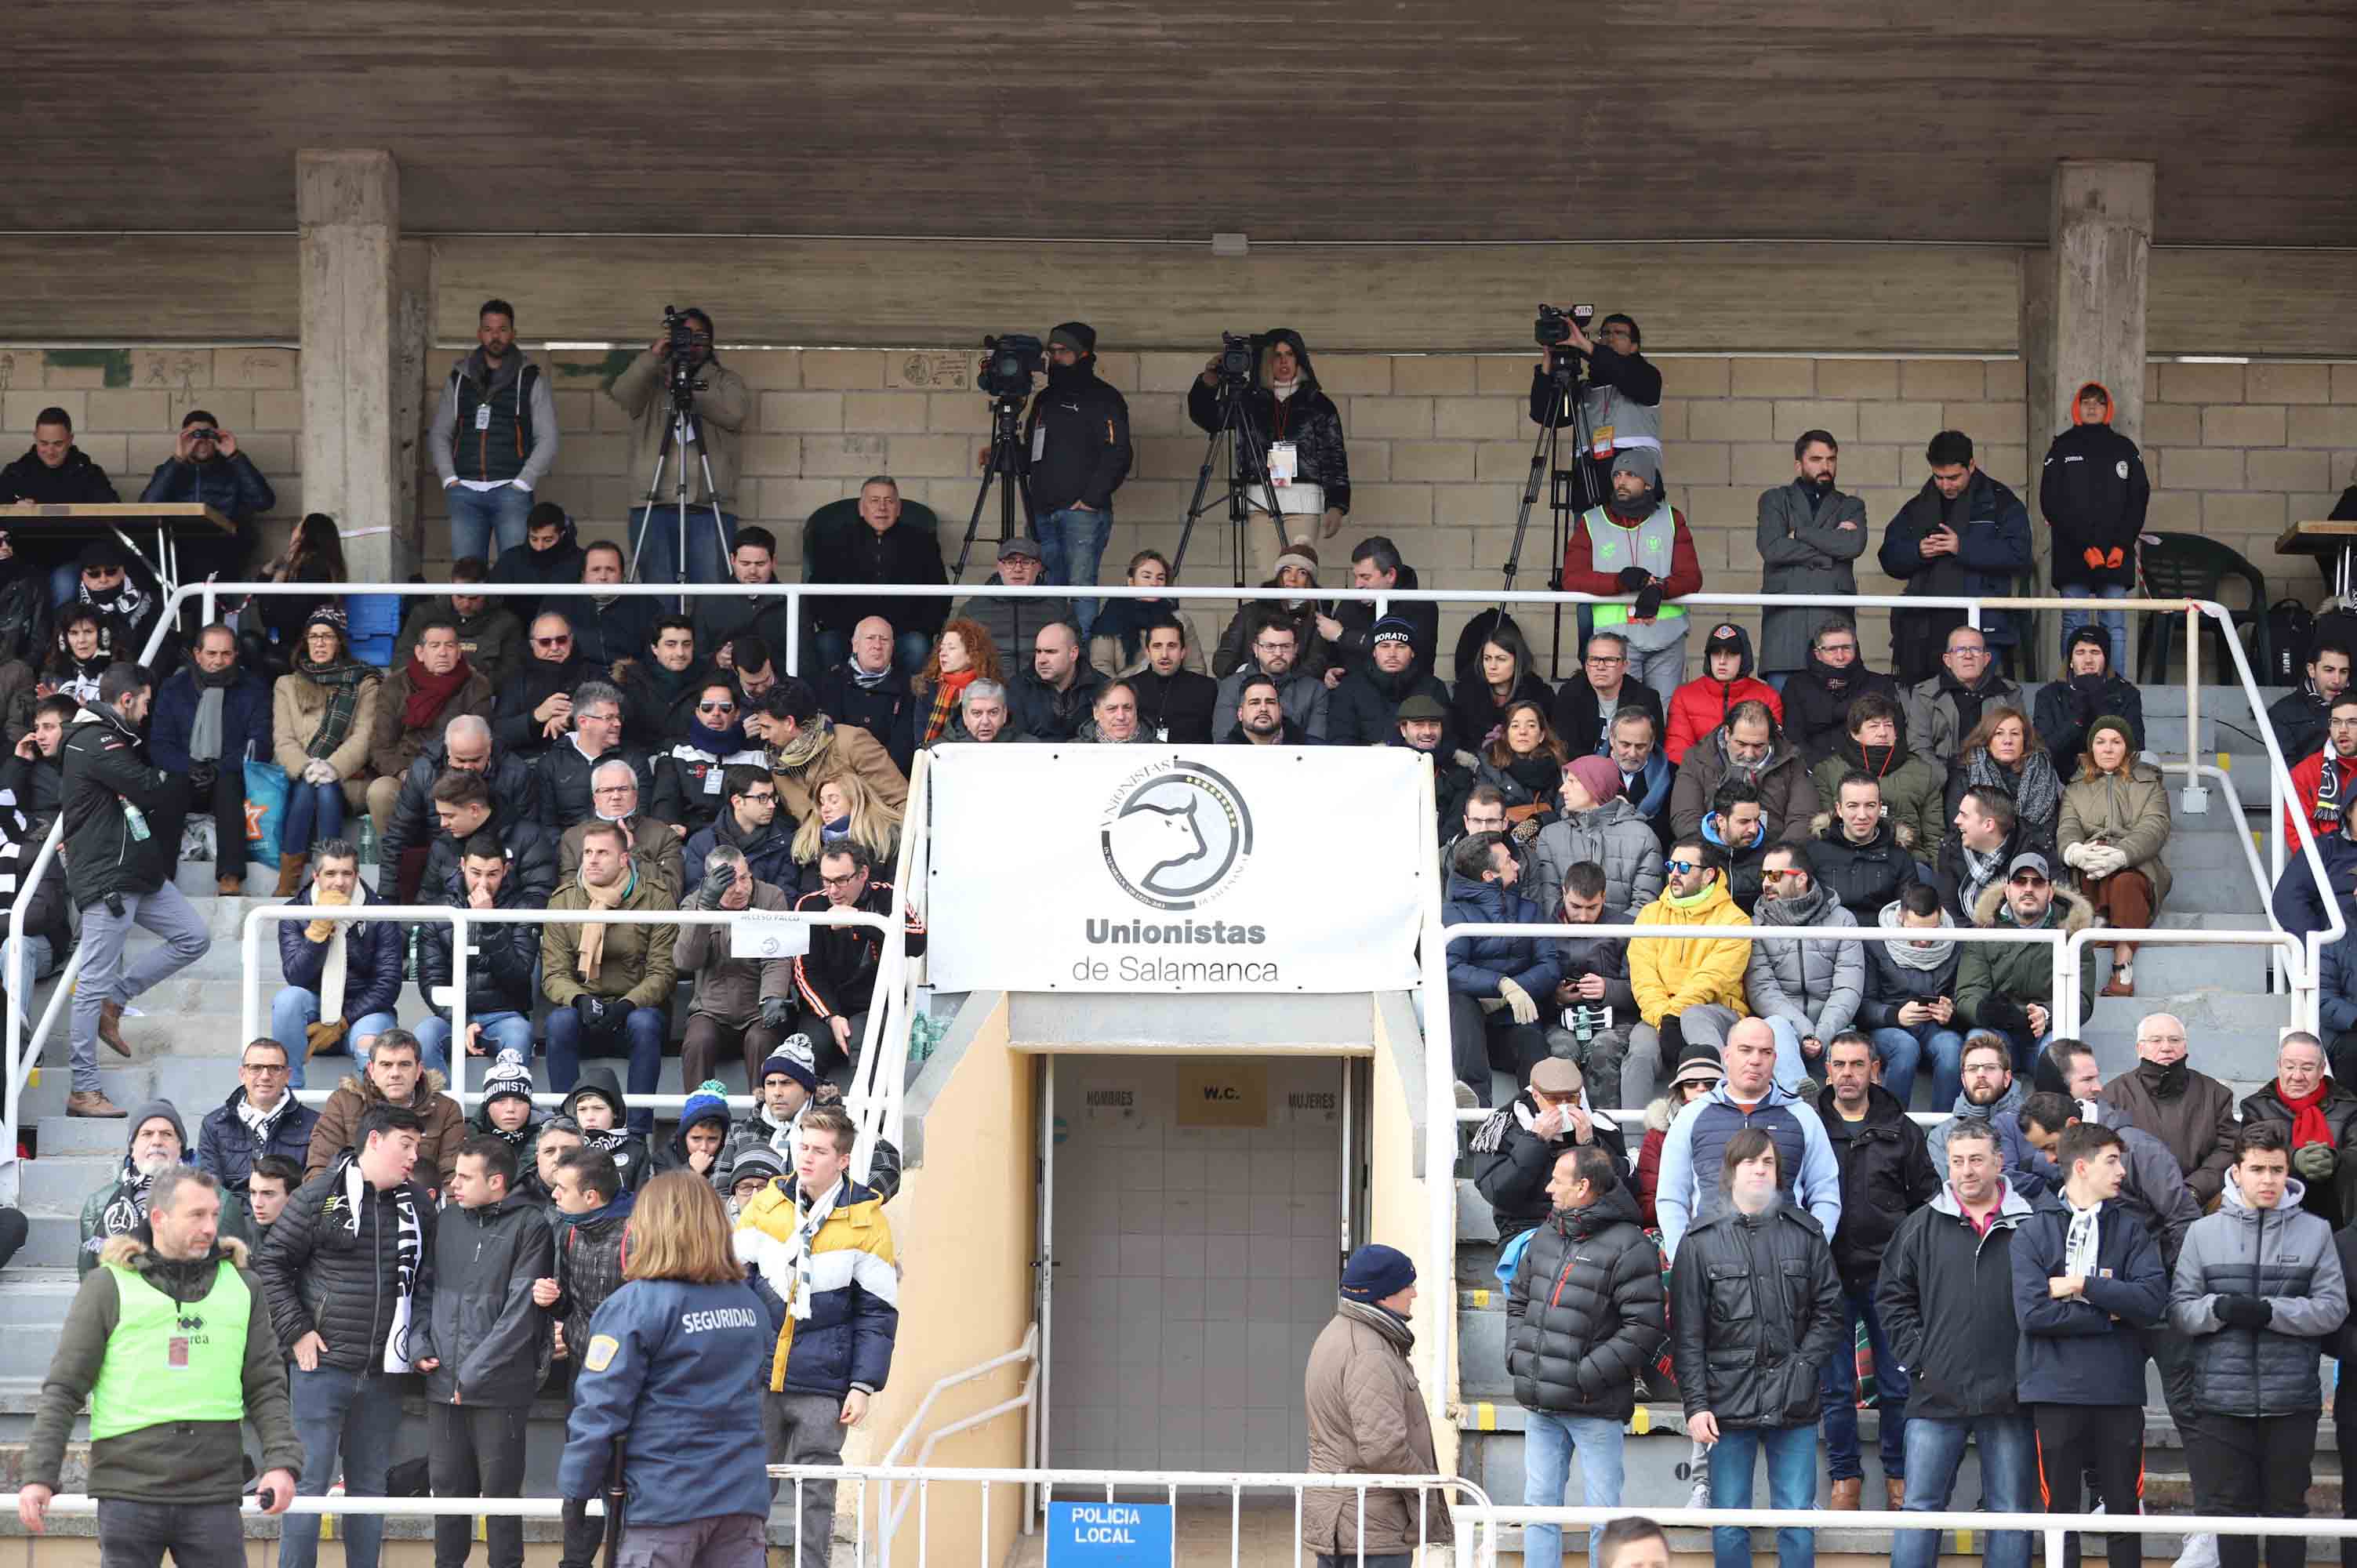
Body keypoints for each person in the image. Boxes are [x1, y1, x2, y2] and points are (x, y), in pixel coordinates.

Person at [19, 1165, 300, 1562]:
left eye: (214, 1215)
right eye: (196, 1215)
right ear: (159, 1219)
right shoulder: (106, 1285)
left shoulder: (244, 1286)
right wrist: (39, 1476)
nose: (210, 1226)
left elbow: (267, 1385)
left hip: (213, 1490)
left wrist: (283, 1463)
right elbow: (64, 1388)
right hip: (128, 1491)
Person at [560, 1169, 776, 1568]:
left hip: (665, 1503)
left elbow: (600, 1410)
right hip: (741, 1499)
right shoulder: (749, 1305)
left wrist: (575, 1490)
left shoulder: (635, 1305)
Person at [256, 1105, 438, 1568]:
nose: (415, 1155)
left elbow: (428, 1282)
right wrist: (296, 1330)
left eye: (418, 1145)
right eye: (406, 1144)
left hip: (384, 1372)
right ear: (374, 1140)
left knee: (369, 1488)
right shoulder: (318, 1194)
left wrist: (417, 1344)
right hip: (322, 1367)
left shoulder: (418, 1204)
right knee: (308, 1484)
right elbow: (271, 1264)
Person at [2169, 1123, 2348, 1568]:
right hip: (2220, 1404)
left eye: (2276, 1169)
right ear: (2237, 1172)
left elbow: (2331, 1310)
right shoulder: (2203, 1233)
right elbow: (2181, 1311)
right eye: (2257, 1169)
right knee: (2230, 1516)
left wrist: (2271, 1312)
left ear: (2288, 1170)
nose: (2268, 1180)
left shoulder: (2316, 1231)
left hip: (2292, 1403)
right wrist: (2220, 1308)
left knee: (2288, 1514)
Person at [1669, 1128, 1843, 1568]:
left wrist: (1803, 1367)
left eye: (1768, 1163)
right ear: (1731, 1172)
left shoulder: (1806, 1234)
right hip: (1727, 1405)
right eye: (1751, 1163)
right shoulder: (1699, 1242)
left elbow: (1831, 1311)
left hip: (1795, 1400)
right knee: (1728, 1522)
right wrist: (1696, 1405)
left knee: (1797, 1521)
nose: (1761, 1170)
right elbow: (1687, 1334)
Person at [735, 1106, 899, 1563]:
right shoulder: (766, 1204)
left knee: (817, 1494)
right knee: (748, 1488)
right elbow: (730, 1286)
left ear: (842, 1160)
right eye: (802, 1146)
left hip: (824, 1382)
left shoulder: (867, 1218)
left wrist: (863, 1385)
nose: (806, 1157)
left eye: (819, 1151)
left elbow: (878, 1313)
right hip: (759, 1374)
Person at [1875, 1120, 2039, 1568]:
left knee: (2010, 1514)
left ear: (1999, 1162)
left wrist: (2027, 1369)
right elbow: (1891, 1298)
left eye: (1977, 1160)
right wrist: (1919, 1358)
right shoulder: (1919, 1226)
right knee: (1920, 1510)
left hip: (2010, 1395)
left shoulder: (2031, 1225)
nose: (1967, 1171)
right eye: (1958, 1161)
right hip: (1935, 1393)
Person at [2013, 1121, 2169, 1568]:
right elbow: (2034, 1314)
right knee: (2060, 1514)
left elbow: (2150, 1300)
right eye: (2113, 1161)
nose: (2122, 1170)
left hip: (2118, 1390)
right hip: (2054, 1389)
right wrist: (2110, 1313)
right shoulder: (2033, 1233)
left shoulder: (2133, 1230)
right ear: (2081, 1167)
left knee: (2125, 1512)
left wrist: (2081, 1284)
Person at [63, 662, 210, 1119]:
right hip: (109, 875)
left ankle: (119, 998)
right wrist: (177, 770)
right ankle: (83, 1089)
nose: (148, 713)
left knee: (195, 937)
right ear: (127, 700)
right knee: (90, 984)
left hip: (138, 871)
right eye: (146, 703)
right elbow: (147, 788)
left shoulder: (116, 739)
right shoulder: (95, 740)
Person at [1507, 1145, 1665, 1568]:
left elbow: (1643, 1330)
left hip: (1595, 1407)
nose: (1548, 1188)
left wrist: (1582, 1376)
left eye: (1557, 1180)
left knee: (1604, 1518)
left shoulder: (1631, 1246)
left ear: (1584, 1186)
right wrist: (1517, 1355)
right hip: (1541, 1403)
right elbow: (1518, 1301)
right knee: (1539, 1511)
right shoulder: (1545, 1234)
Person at [414, 1133, 552, 1568]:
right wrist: (418, 1342)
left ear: (496, 1182)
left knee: (501, 1497)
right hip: (442, 1382)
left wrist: (473, 1372)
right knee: (447, 1492)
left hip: (498, 1388)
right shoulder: (447, 1220)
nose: (454, 1183)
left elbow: (521, 1312)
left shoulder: (532, 1225)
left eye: (465, 1177)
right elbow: (424, 1287)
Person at [1813, 1031, 1938, 1509]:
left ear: (1875, 1070)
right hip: (1827, 1277)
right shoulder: (1811, 1125)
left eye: (1857, 1065)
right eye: (1839, 1065)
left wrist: (1909, 1263)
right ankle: (1845, 1478)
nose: (1847, 1074)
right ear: (1827, 1070)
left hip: (1889, 1279)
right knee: (1835, 1386)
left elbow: (1925, 1202)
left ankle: (1898, 1476)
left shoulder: (1900, 1129)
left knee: (1897, 1384)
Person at [1302, 1243, 1453, 1568]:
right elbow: (1383, 1448)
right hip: (1370, 1529)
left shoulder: (1341, 1333)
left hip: (1347, 1521)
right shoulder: (1370, 1352)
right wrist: (1425, 1484)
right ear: (1382, 1296)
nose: (1414, 1293)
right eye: (1408, 1286)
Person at [1653, 1018, 1842, 1261]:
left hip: (1787, 1268)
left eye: (1765, 1052)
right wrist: (1684, 1259)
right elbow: (1672, 1197)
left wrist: (1811, 1255)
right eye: (1746, 1050)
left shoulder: (1802, 1116)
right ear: (1727, 1055)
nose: (1755, 1060)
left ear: (1775, 1059)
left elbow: (1825, 1191)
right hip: (1709, 1266)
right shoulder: (1691, 1116)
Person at [543, 821, 677, 1135]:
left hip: (634, 1011)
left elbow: (663, 972)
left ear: (623, 859)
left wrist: (627, 1005)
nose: (591, 859)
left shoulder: (656, 899)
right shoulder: (563, 900)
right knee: (559, 1023)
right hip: (584, 1010)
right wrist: (580, 999)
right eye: (587, 852)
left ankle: (636, 1133)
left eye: (602, 853)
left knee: (645, 1024)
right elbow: (554, 974)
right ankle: (567, 1127)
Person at [537, 1145, 637, 1568]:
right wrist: (553, 1302)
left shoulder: (638, 1235)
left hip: (632, 1379)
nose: (554, 1195)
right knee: (578, 1482)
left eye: (562, 1188)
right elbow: (573, 1306)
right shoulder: (567, 1229)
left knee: (625, 1483)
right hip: (582, 1373)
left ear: (592, 1196)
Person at [1189, 328, 1351, 572]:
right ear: (1265, 360)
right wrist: (1208, 382)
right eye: (1276, 355)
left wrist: (1337, 504)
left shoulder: (1318, 404)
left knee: (1298, 575)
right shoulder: (1248, 401)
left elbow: (1333, 456)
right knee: (1270, 579)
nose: (1284, 361)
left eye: (1290, 354)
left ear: (1299, 359)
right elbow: (1209, 418)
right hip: (1261, 501)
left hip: (1303, 501)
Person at [612, 306, 750, 587]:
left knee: (711, 590)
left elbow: (735, 413)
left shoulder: (726, 380)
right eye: (685, 336)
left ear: (711, 342)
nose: (693, 344)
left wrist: (688, 389)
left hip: (708, 506)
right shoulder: (652, 380)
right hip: (654, 502)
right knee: (657, 588)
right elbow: (622, 394)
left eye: (700, 337)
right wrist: (653, 357)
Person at [1879, 431, 2033, 683]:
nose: (1945, 485)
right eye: (1938, 477)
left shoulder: (2001, 502)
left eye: (1953, 477)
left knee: (1977, 702)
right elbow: (1888, 556)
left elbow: (2020, 554)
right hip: (1923, 631)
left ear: (1971, 465)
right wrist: (1918, 552)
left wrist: (1962, 548)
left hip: (1982, 625)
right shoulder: (1917, 506)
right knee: (1924, 706)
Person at [1560, 448, 1701, 708]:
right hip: (1615, 642)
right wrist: (1620, 581)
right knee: (1623, 719)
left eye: (1630, 475)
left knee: (1665, 715)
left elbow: (1691, 576)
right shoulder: (1592, 521)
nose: (1621, 482)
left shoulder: (1672, 518)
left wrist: (1661, 589)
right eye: (1617, 475)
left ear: (1648, 483)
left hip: (1666, 637)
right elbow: (1572, 578)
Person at [1627, 840, 1754, 1119]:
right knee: (1640, 1052)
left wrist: (1675, 1015)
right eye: (1671, 865)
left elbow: (1713, 979)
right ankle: (1633, 1146)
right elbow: (1643, 977)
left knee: (1695, 1018)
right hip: (1658, 1015)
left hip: (1717, 1012)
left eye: (1684, 867)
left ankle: (1728, 1117)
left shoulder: (1735, 921)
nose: (1674, 873)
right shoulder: (1650, 915)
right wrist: (1664, 1019)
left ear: (1709, 875)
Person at [147, 621, 273, 894]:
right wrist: (189, 766)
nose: (218, 661)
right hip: (185, 769)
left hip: (229, 772)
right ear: (197, 654)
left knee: (228, 787)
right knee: (172, 788)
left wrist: (218, 768)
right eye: (212, 654)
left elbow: (260, 744)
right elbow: (158, 744)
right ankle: (160, 875)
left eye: (226, 654)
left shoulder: (253, 689)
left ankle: (230, 875)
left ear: (236, 655)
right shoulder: (174, 688)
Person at [1023, 322, 1132, 633]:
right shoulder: (1045, 399)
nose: (1056, 358)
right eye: (1052, 351)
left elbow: (1119, 452)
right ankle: (1049, 656)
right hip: (1042, 512)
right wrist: (1003, 454)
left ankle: (1080, 662)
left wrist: (1090, 500)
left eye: (1064, 351)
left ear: (1083, 354)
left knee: (1081, 588)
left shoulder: (1104, 397)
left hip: (1081, 514)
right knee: (1046, 587)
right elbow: (1034, 450)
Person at [430, 298, 559, 562]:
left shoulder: (530, 376)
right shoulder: (459, 377)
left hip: (511, 492)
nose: (495, 336)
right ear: (479, 334)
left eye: (502, 329)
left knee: (514, 576)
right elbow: (440, 433)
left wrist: (524, 482)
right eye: (488, 329)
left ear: (513, 333)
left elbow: (548, 437)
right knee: (466, 577)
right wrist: (449, 479)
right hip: (464, 491)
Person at [1441, 832, 1563, 1105]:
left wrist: (1510, 991)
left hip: (1513, 1021)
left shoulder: (1529, 911)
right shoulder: (1453, 913)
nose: (1517, 865)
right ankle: (1476, 1108)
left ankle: (1537, 1117)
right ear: (1488, 875)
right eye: (1509, 861)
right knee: (1460, 1000)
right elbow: (1450, 969)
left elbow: (1550, 965)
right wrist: (1501, 985)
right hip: (1469, 1029)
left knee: (1530, 1040)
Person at [271, 839, 402, 1090]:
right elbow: (296, 976)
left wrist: (343, 1020)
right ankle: (290, 1094)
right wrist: (320, 928)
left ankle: (377, 1108)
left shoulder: (380, 911)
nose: (339, 882)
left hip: (364, 1013)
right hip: (315, 1010)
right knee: (288, 1000)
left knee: (369, 1041)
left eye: (346, 873)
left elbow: (388, 985)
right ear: (316, 876)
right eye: (330, 873)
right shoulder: (294, 912)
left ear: (357, 876)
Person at [791, 840, 927, 1080]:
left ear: (863, 874)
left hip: (874, 1003)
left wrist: (862, 920)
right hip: (825, 1007)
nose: (832, 891)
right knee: (805, 1053)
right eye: (826, 880)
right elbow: (805, 972)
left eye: (841, 880)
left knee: (865, 1039)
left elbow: (917, 941)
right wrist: (831, 1016)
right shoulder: (810, 904)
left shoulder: (887, 896)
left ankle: (862, 1117)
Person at [415, 829, 546, 1076]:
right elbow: (431, 979)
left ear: (505, 871)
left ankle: (503, 1113)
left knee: (520, 1035)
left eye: (493, 874)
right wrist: (461, 1021)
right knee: (423, 1036)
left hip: (505, 1015)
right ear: (462, 865)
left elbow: (518, 976)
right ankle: (441, 1113)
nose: (483, 883)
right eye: (476, 873)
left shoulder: (523, 908)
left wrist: (489, 923)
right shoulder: (441, 910)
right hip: (451, 1016)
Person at [269, 606, 381, 895]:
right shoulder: (287, 684)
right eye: (314, 636)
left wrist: (332, 768)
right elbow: (283, 739)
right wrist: (308, 768)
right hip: (299, 775)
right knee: (312, 788)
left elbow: (364, 735)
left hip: (348, 777)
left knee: (326, 789)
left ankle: (290, 884)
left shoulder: (364, 682)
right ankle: (331, 882)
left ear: (339, 642)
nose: (319, 643)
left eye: (327, 636)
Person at [2041, 382, 2151, 673]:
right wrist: (2083, 547)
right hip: (2072, 552)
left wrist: (2121, 545)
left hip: (2116, 553)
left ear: (2108, 409)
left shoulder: (2124, 448)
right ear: (2077, 407)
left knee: (2114, 624)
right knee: (2073, 621)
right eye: (2086, 401)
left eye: (2099, 402)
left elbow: (2138, 500)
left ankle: (2116, 688)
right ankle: (2070, 686)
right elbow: (2050, 502)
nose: (2092, 406)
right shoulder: (2061, 446)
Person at [2060, 714, 2172, 996]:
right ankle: (2101, 920)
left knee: (2125, 883)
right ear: (2091, 748)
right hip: (2091, 868)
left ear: (2128, 748)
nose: (2107, 749)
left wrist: (2121, 855)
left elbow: (2154, 827)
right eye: (2100, 742)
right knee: (2092, 867)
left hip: (2136, 865)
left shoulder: (2149, 784)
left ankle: (2122, 959)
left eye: (2116, 742)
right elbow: (2068, 827)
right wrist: (2076, 851)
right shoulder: (2075, 789)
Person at [78, 1101, 256, 1276]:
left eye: (166, 1134)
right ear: (132, 1148)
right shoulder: (99, 1204)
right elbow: (91, 1274)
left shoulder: (220, 1201)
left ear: (180, 1147)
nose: (157, 1141)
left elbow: (232, 1273)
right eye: (147, 1134)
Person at [1956, 853, 2095, 1073]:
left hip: (2046, 1031)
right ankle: (1973, 1110)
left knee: (2059, 1049)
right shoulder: (1984, 929)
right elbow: (1968, 992)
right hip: (1998, 1031)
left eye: (2037, 882)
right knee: (1978, 1044)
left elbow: (2082, 999)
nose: (2028, 889)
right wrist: (1985, 1011)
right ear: (2007, 890)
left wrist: (2046, 1013)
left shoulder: (2074, 933)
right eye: (2020, 881)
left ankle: (2052, 1109)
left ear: (2050, 892)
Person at [1529, 310, 1664, 532]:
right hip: (1588, 489)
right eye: (1605, 333)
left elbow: (1623, 373)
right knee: (1588, 561)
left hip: (1635, 490)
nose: (1610, 338)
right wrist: (1548, 362)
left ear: (1634, 346)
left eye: (1619, 333)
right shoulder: (1584, 390)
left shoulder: (1646, 377)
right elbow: (1544, 414)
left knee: (1634, 559)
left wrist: (1587, 347)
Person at [1748, 842, 1865, 1097]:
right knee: (1774, 1026)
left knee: (1852, 1049)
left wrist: (1821, 1034)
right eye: (1764, 875)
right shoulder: (1756, 924)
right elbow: (1763, 991)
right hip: (1786, 1028)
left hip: (1832, 1026)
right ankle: (1802, 1103)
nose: (1766, 883)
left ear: (1801, 879)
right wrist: (1805, 1031)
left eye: (1775, 876)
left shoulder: (1843, 920)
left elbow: (1848, 988)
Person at [1474, 1056, 1631, 1244]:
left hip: (1592, 1225)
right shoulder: (1503, 1128)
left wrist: (1591, 1145)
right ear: (1536, 1096)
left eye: (1571, 1098)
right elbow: (1498, 1194)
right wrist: (1535, 1141)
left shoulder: (1597, 1125)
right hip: (1527, 1228)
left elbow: (1627, 1189)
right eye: (1554, 1100)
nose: (1563, 1106)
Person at [364, 618, 492, 847]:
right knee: (380, 792)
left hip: (456, 773)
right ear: (420, 652)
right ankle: (397, 855)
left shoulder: (476, 685)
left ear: (459, 652)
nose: (443, 652)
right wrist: (405, 774)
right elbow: (381, 747)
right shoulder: (395, 685)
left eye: (450, 645)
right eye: (435, 646)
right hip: (406, 771)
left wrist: (446, 777)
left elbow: (477, 742)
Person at [1756, 431, 1870, 689]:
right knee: (1782, 721)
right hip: (1786, 627)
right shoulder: (1775, 499)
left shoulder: (1852, 505)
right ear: (1799, 465)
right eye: (1816, 459)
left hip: (1833, 623)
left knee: (1835, 720)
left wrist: (1800, 534)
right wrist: (1830, 551)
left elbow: (1852, 545)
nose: (1825, 467)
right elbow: (1773, 548)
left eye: (1831, 459)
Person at [676, 844, 796, 1086]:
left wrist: (772, 997)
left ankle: (763, 1117)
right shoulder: (694, 903)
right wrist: (705, 910)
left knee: (760, 1041)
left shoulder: (771, 897)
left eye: (744, 878)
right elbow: (687, 961)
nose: (741, 888)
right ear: (711, 882)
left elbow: (777, 955)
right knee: (697, 1042)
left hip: (758, 1006)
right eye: (730, 883)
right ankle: (699, 1117)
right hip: (711, 1007)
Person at [806, 475, 949, 673]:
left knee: (917, 646)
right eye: (874, 501)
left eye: (889, 501)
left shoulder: (921, 542)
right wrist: (852, 631)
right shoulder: (835, 541)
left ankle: (909, 706)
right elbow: (817, 594)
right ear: (861, 508)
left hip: (903, 634)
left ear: (898, 509)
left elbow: (940, 595)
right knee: (827, 643)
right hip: (848, 633)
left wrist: (922, 628)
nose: (882, 508)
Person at [2101, 1012, 2243, 1207]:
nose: (2166, 1047)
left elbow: (2228, 1148)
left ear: (2185, 1047)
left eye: (2174, 1040)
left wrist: (2193, 1189)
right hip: (2135, 1205)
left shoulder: (2215, 1094)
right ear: (2139, 1049)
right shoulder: (2114, 1094)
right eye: (2156, 1040)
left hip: (2198, 1201)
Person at [302, 1029, 467, 1187]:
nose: (395, 1073)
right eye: (386, 1065)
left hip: (422, 1209)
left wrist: (443, 1216)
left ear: (419, 1070)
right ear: (371, 1070)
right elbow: (320, 1168)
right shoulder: (343, 1103)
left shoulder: (446, 1110)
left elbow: (453, 1176)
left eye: (404, 1065)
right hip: (353, 1208)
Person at [140, 406, 277, 586]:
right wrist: (178, 459)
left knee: (203, 563)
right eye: (195, 435)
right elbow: (148, 506)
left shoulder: (233, 469)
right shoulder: (171, 469)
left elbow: (264, 502)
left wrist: (234, 455)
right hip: (178, 544)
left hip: (222, 545)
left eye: (208, 435)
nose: (202, 441)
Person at [2237, 1032, 2357, 1229]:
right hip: (2276, 1219)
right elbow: (2252, 1155)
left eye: (2308, 1068)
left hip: (2338, 1219)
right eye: (2290, 1066)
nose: (2297, 1076)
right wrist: (2294, 1159)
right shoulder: (2256, 1107)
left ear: (2322, 1069)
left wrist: (2335, 1159)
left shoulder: (2349, 1107)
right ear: (2279, 1066)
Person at [1861, 882, 1964, 1110]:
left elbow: (1964, 996)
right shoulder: (1875, 941)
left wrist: (1951, 1012)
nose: (1924, 942)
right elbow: (1863, 1006)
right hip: (1888, 1027)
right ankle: (1891, 1129)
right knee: (1905, 1047)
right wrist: (1895, 1015)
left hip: (1934, 1028)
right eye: (1916, 932)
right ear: (1900, 917)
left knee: (1952, 1048)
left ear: (1942, 917)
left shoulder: (1957, 941)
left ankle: (1942, 1132)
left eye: (1932, 931)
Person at [1526, 752, 1664, 923]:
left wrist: (1608, 939)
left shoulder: (1643, 837)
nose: (1562, 789)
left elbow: (1645, 906)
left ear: (1595, 786)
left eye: (1572, 781)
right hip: (1563, 944)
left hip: (1622, 945)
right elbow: (1548, 902)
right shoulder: (1551, 835)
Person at [3, 406, 120, 605]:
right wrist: (11, 509)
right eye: (43, 443)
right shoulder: (16, 473)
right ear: (35, 438)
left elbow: (113, 509)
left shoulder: (88, 473)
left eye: (58, 444)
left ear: (71, 439)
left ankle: (58, 636)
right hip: (25, 558)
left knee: (63, 585)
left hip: (73, 558)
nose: (50, 451)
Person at [757, 675, 909, 822]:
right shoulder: (777, 766)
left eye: (767, 727)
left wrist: (886, 843)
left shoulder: (851, 742)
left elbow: (901, 802)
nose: (762, 736)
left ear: (789, 723)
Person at [1669, 700, 1820, 844]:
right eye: (1741, 744)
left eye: (1758, 746)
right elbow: (1685, 817)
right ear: (1727, 733)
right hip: (1710, 855)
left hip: (1773, 857)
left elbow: (1804, 818)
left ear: (1770, 739)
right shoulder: (1697, 759)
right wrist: (1712, 854)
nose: (1749, 754)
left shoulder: (1791, 761)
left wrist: (1777, 858)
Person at [197, 1038, 322, 1196]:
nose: (265, 1076)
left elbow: (315, 1191)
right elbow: (211, 1192)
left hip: (293, 1218)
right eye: (255, 1068)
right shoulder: (214, 1125)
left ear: (287, 1075)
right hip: (233, 1219)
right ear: (242, 1074)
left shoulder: (316, 1125)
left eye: (275, 1068)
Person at [1905, 626, 2025, 779]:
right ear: (1947, 660)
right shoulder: (1925, 694)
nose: (1968, 655)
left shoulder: (2009, 693)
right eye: (1960, 650)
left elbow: (2021, 742)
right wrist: (1945, 780)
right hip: (1941, 780)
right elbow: (1918, 747)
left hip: (1997, 779)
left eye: (1975, 649)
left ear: (1986, 658)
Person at [1781, 618, 1901, 768]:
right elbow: (1793, 739)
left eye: (1846, 648)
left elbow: (1895, 736)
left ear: (1855, 649)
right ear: (1817, 654)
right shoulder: (1797, 686)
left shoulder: (1880, 685)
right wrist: (1823, 770)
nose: (1840, 656)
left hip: (1871, 770)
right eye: (1831, 649)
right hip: (1814, 772)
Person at [1806, 771, 1922, 925]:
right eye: (1853, 806)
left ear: (1880, 808)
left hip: (1881, 941)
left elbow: (1908, 917)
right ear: (1839, 809)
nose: (1862, 815)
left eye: (1870, 806)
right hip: (1827, 943)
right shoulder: (1814, 853)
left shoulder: (1900, 858)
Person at [536, 681, 651, 836]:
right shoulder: (551, 764)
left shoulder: (633, 759)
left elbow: (642, 818)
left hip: (626, 847)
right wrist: (572, 856)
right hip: (571, 853)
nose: (617, 724)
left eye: (618, 717)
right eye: (609, 718)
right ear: (584, 722)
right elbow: (548, 828)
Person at [556, 757, 683, 897]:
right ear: (595, 799)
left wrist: (633, 852)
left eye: (623, 789)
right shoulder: (572, 837)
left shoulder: (664, 835)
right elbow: (567, 897)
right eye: (607, 790)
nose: (616, 796)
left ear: (635, 795)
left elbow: (672, 893)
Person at [490, 611, 601, 762]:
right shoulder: (517, 679)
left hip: (583, 761)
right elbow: (499, 734)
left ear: (571, 639)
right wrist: (536, 716)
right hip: (529, 763)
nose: (554, 647)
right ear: (532, 644)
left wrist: (575, 714)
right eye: (545, 642)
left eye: (561, 640)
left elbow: (622, 711)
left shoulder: (591, 673)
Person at [394, 557, 523, 687]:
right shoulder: (423, 614)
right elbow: (402, 660)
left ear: (487, 590)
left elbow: (510, 673)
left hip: (481, 695)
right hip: (428, 690)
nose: (466, 604)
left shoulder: (506, 623)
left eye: (474, 598)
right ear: (450, 585)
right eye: (460, 596)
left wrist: (471, 684)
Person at [952, 536, 1075, 670]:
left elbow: (1077, 657)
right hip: (990, 686)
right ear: (999, 567)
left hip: (1043, 686)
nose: (1018, 569)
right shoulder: (973, 609)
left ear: (1038, 567)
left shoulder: (1059, 609)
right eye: (1010, 562)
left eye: (1026, 562)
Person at [1666, 622, 1781, 766]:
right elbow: (1678, 753)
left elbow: (1773, 753)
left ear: (1744, 658)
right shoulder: (1684, 696)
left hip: (1754, 779)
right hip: (1700, 779)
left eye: (1731, 654)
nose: (1722, 661)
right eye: (1716, 653)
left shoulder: (1769, 697)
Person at [1320, 536, 1434, 679]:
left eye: (1365, 577)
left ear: (1391, 575)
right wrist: (1331, 671)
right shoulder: (1350, 603)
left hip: (1406, 694)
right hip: (1354, 693)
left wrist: (1343, 636)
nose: (1358, 584)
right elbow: (1334, 653)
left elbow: (1415, 655)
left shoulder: (1421, 605)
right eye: (1356, 576)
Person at [2036, 625, 2146, 773]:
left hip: (2115, 774)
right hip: (2063, 775)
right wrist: (2077, 720)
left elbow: (2136, 746)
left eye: (2095, 652)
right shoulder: (2049, 695)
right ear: (2070, 660)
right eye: (2080, 652)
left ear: (2106, 659)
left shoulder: (2127, 694)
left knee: (2148, 759)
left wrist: (2099, 704)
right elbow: (2042, 750)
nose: (2088, 660)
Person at [812, 616, 917, 771]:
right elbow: (827, 736)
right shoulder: (831, 680)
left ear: (892, 647)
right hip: (840, 775)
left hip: (888, 776)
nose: (877, 646)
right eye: (870, 638)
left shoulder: (909, 686)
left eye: (884, 640)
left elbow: (904, 744)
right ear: (855, 645)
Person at [1328, 616, 1448, 747]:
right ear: (1374, 651)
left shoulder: (1433, 688)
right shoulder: (1350, 687)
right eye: (1384, 646)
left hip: (1421, 765)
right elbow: (1340, 742)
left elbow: (1447, 741)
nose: (1392, 653)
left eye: (1401, 646)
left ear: (1413, 652)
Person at [1637, 1047, 1724, 1228]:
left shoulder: (1742, 1125)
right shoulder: (1657, 1135)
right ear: (1681, 1088)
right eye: (1691, 1083)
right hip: (1675, 1227)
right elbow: (1648, 1203)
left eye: (1710, 1083)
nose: (1701, 1088)